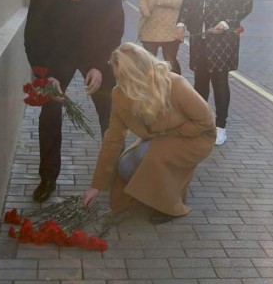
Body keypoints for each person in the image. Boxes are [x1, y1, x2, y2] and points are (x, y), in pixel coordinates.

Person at [24, 0, 124, 202]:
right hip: (57, 56)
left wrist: (100, 65)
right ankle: (48, 177)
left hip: (96, 53)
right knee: (49, 113)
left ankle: (119, 173)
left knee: (110, 111)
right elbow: (33, 36)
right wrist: (44, 75)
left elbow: (115, 27)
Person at [82, 43, 215, 224]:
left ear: (138, 75)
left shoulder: (175, 84)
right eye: (117, 78)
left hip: (196, 137)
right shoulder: (119, 94)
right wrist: (96, 186)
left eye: (123, 78)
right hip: (159, 138)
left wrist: (171, 134)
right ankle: (163, 186)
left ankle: (171, 205)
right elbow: (112, 140)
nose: (119, 84)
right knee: (125, 164)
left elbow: (206, 121)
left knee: (153, 157)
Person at [176, 0, 253, 146]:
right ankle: (201, 123)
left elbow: (246, 4)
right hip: (200, 36)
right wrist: (181, 23)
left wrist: (227, 23)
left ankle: (220, 127)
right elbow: (190, 0)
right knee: (200, 81)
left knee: (220, 82)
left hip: (222, 38)